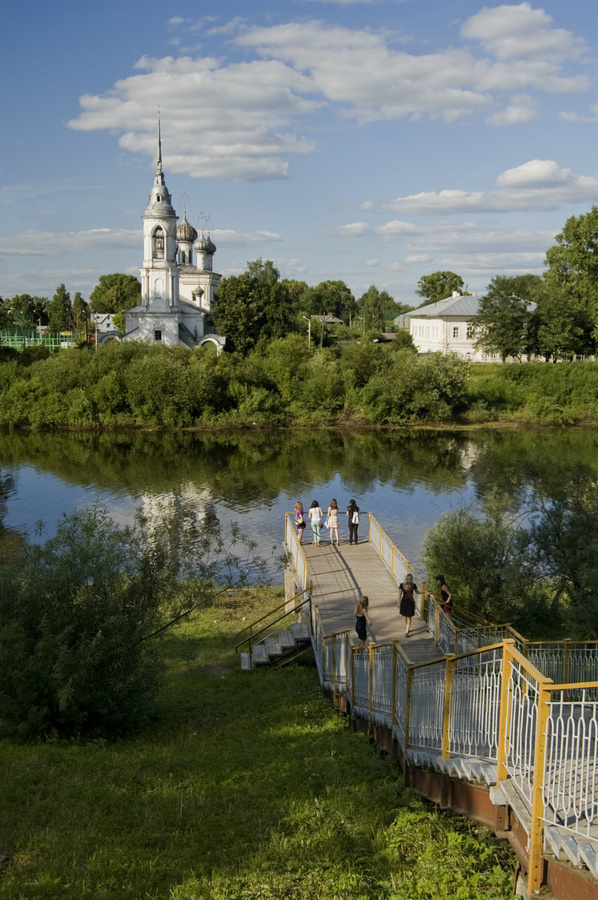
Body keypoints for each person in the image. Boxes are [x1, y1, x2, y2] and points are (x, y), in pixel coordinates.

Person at [398, 573, 420, 637]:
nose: (411, 580)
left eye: (411, 579)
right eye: (409, 579)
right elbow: (399, 594)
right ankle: (407, 627)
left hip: (410, 602)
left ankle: (407, 631)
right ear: (407, 579)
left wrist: (425, 592)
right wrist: (398, 602)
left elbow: (417, 592)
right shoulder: (402, 585)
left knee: (409, 616)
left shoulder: (413, 585)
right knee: (405, 616)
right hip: (404, 601)